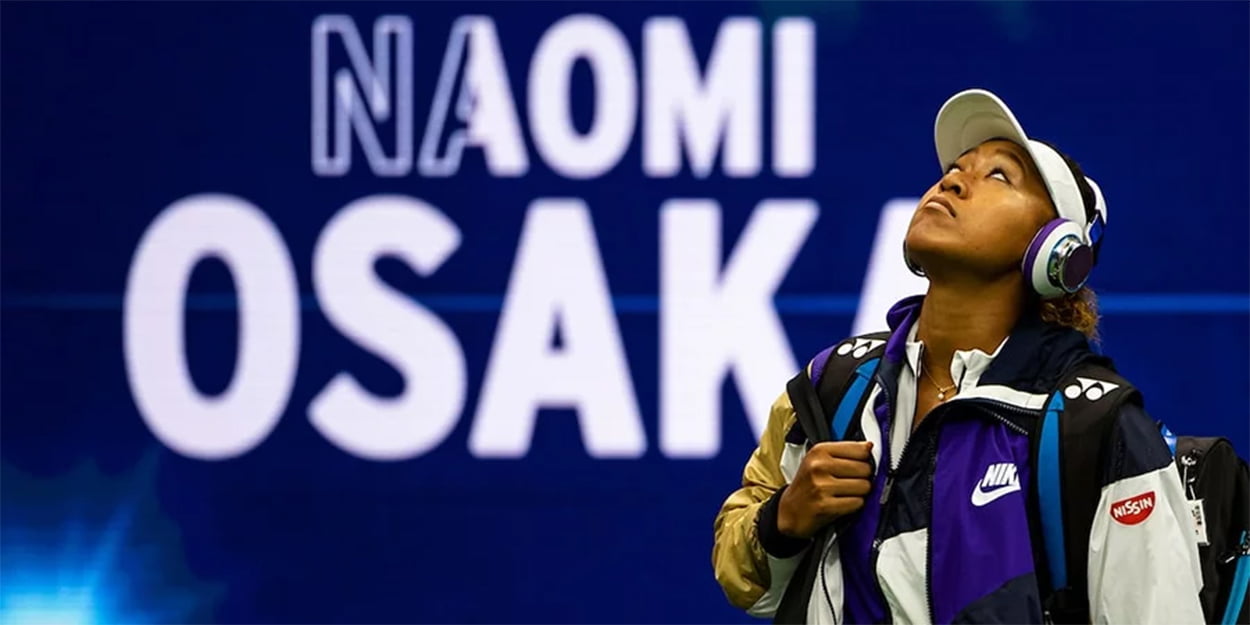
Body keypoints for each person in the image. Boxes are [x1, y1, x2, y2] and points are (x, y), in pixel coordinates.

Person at [711, 89, 1205, 624]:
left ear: (1055, 252)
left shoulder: (1095, 430)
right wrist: (784, 520)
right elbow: (743, 581)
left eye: (1000, 176)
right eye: (954, 168)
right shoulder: (835, 386)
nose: (952, 180)